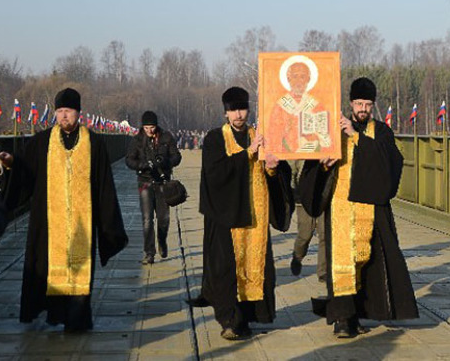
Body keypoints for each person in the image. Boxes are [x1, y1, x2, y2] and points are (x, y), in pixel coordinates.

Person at [0, 88, 128, 332]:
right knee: (48, 270)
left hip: (82, 223)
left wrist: (108, 223)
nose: (63, 116)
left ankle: (76, 320)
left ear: (78, 113)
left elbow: (104, 185)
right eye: (59, 112)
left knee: (79, 271)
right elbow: (26, 169)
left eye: (68, 111)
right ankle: (54, 315)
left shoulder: (94, 143)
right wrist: (11, 162)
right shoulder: (42, 142)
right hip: (49, 222)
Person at [299, 77, 418, 338]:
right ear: (350, 103)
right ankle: (343, 318)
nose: (362, 108)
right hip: (339, 209)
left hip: (372, 210)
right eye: (358, 103)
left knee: (370, 263)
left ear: (373, 105)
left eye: (367, 104)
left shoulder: (381, 131)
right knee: (341, 263)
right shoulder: (332, 130)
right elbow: (311, 169)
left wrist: (355, 136)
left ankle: (360, 314)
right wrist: (324, 166)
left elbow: (389, 163)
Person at [195, 87, 294, 340]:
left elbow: (276, 172)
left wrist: (273, 167)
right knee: (227, 270)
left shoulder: (262, 136)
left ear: (248, 110)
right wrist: (248, 153)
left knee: (254, 268)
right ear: (226, 112)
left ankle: (247, 318)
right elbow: (214, 174)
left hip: (255, 217)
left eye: (242, 109)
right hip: (226, 217)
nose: (238, 115)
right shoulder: (216, 138)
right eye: (233, 110)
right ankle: (228, 320)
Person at [125, 111, 181, 264]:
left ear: (156, 126)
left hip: (162, 183)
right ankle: (149, 252)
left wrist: (166, 161)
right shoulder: (137, 140)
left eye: (152, 127)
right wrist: (142, 165)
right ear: (143, 127)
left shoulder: (166, 137)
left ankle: (162, 240)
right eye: (146, 127)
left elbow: (177, 156)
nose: (149, 130)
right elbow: (129, 160)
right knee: (147, 219)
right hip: (145, 182)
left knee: (164, 219)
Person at [267, 55, 331, 154]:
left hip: (311, 162)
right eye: (295, 76)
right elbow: (273, 137)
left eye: (302, 76)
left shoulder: (316, 105)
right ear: (289, 78)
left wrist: (314, 136)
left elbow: (326, 139)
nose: (298, 81)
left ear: (308, 79)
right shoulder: (280, 106)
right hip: (285, 162)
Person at [289, 160, 326, 282]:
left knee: (324, 235)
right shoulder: (301, 149)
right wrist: (294, 194)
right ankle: (297, 257)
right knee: (305, 235)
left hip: (324, 198)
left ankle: (323, 271)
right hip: (304, 199)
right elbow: (292, 170)